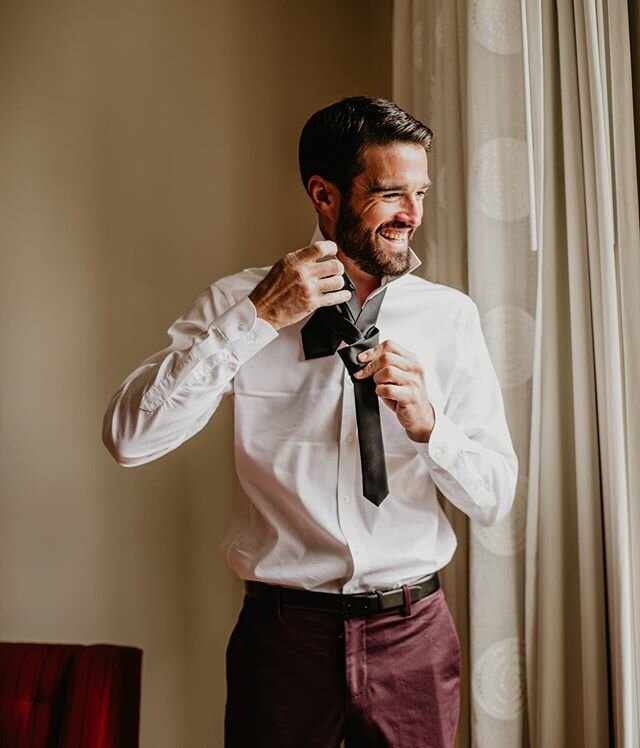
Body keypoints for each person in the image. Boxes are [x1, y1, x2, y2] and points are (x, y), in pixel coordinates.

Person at [103, 96, 517, 748]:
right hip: (283, 641)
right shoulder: (237, 303)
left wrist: (433, 428)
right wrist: (255, 322)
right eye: (389, 194)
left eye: (420, 193)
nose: (412, 215)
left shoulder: (451, 318)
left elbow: (495, 498)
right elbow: (129, 440)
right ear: (324, 195)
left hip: (413, 635)